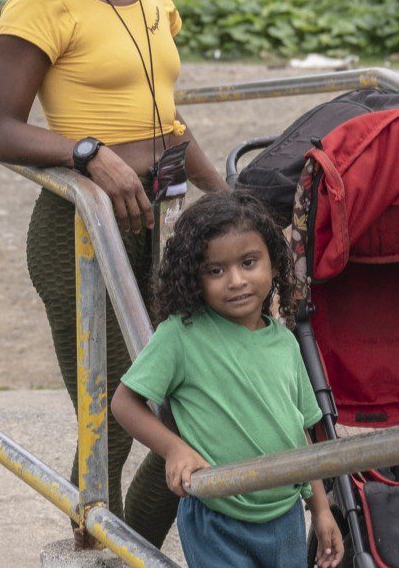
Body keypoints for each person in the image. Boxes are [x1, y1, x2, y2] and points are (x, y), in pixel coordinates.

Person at [0, 0, 226, 545]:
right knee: (120, 417)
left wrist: (234, 204)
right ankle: (97, 544)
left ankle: (127, 546)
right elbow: (1, 131)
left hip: (165, 222)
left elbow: (167, 123)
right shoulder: (42, 2)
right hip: (79, 234)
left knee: (196, 409)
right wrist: (87, 152)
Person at [111, 192, 343, 568]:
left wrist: (320, 508)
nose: (235, 281)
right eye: (215, 270)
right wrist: (174, 449)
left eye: (249, 262)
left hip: (284, 515)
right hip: (216, 518)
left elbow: (301, 434)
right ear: (193, 276)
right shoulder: (181, 336)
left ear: (274, 261)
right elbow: (124, 403)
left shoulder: (285, 342)